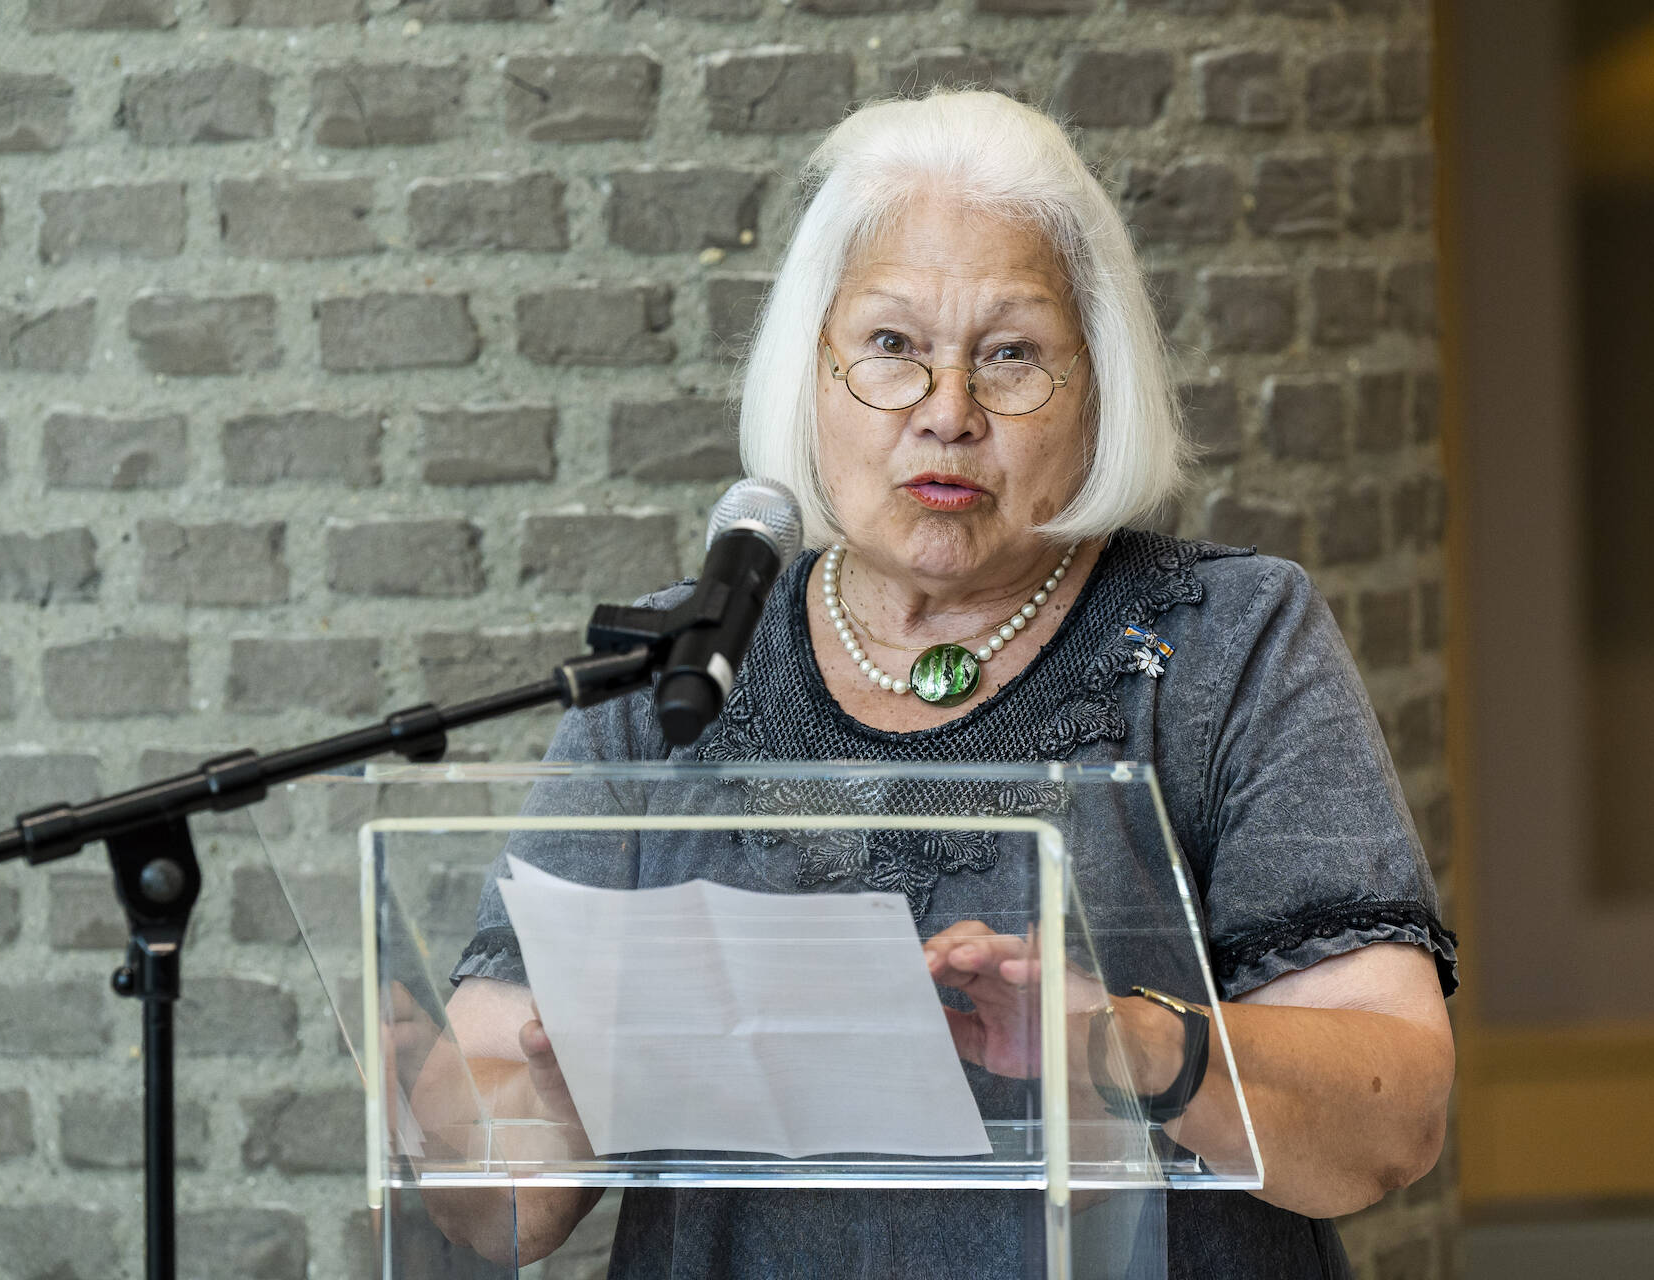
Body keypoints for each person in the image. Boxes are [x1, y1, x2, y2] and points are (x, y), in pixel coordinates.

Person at [417, 89, 1457, 1278]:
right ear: (812, 367)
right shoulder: (680, 665)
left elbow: (1393, 1120)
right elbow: (497, 1207)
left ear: (1097, 380)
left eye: (1012, 354)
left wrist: (1118, 1043)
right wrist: (511, 1099)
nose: (947, 412)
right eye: (891, 346)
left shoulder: (1228, 639)